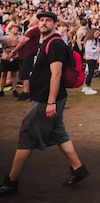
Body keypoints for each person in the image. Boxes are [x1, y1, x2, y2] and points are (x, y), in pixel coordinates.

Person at [0, 11, 89, 197]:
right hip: (48, 96)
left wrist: (50, 102)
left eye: (48, 21)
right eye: (41, 20)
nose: (44, 23)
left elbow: (56, 74)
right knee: (58, 133)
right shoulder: (45, 42)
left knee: (27, 135)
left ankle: (11, 182)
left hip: (46, 98)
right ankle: (78, 168)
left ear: (54, 24)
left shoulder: (55, 43)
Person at [10, 16, 40, 101]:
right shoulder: (33, 30)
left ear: (34, 22)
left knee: (24, 73)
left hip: (28, 54)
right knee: (24, 73)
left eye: (30, 20)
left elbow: (23, 41)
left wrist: (13, 51)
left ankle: (26, 92)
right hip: (25, 54)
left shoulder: (34, 30)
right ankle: (26, 91)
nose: (29, 21)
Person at [0, 22, 21, 98]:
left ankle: (14, 90)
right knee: (3, 74)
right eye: (14, 28)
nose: (16, 30)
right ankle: (1, 90)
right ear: (10, 30)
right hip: (5, 57)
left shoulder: (20, 38)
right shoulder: (5, 38)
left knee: (14, 74)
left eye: (17, 28)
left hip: (15, 58)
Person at [82, 28, 100, 95]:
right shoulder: (89, 41)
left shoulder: (96, 41)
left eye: (98, 33)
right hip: (90, 58)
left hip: (94, 58)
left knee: (90, 73)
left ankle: (85, 86)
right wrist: (97, 50)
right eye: (96, 33)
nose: (97, 35)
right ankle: (88, 87)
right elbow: (88, 50)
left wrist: (99, 49)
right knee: (90, 73)